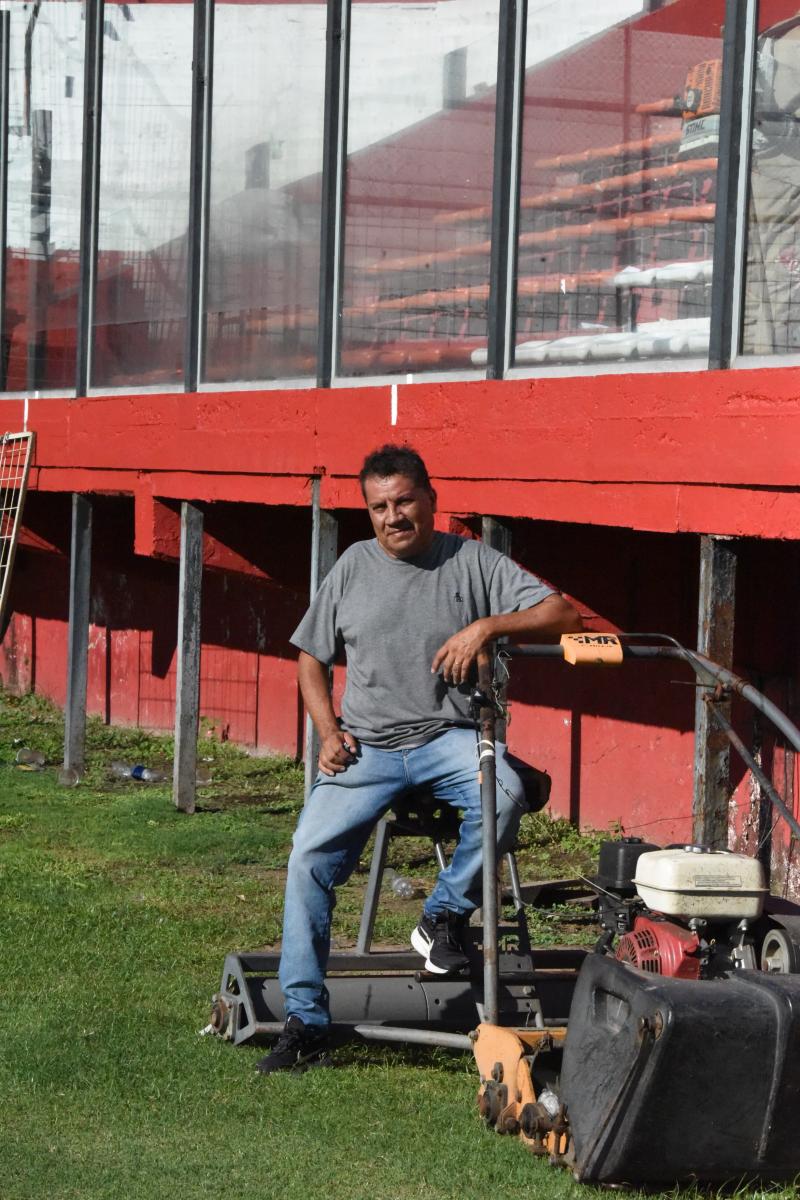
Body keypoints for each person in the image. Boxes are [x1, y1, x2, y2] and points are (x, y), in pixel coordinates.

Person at [257, 444, 582, 1074]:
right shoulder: (352, 566)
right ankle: (306, 1022)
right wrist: (327, 731)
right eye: (379, 506)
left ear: (431, 500)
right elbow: (309, 658)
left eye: (404, 501)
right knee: (306, 857)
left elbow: (563, 615)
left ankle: (442, 917)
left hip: (448, 739)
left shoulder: (472, 560)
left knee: (508, 791)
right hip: (368, 747)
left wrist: (487, 628)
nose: (392, 516)